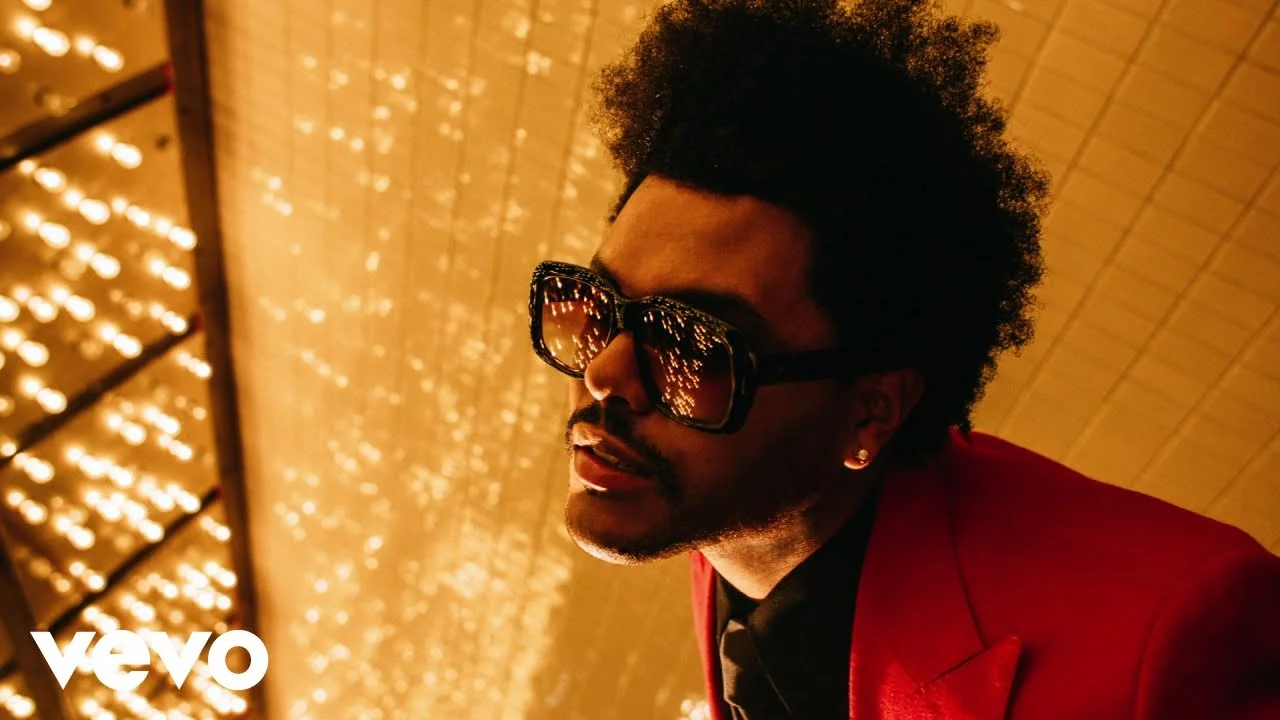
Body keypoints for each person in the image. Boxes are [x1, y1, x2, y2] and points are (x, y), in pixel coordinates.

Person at [525, 0, 1280, 717]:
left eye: (691, 343)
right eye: (596, 305)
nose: (605, 374)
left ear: (871, 412)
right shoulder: (727, 497)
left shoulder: (1174, 636)